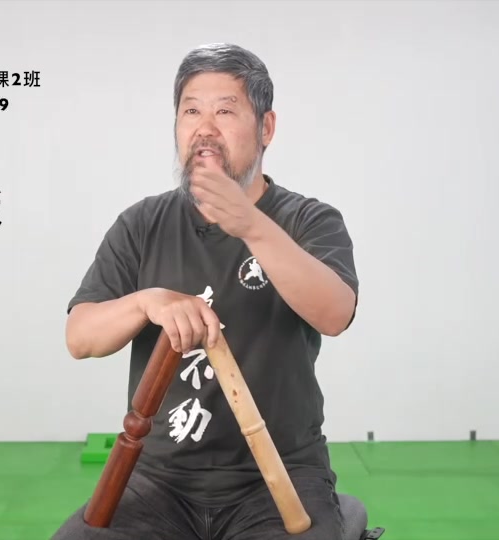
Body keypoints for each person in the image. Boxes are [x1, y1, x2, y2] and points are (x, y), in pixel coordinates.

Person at [52, 43, 359, 540]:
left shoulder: (308, 220)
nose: (204, 128)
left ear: (266, 128)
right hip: (158, 478)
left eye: (225, 111)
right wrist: (146, 301)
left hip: (279, 473)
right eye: (191, 111)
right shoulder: (142, 223)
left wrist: (252, 226)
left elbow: (335, 313)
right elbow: (80, 337)